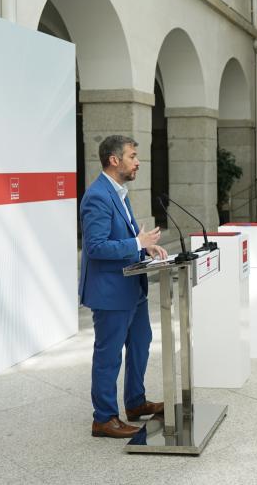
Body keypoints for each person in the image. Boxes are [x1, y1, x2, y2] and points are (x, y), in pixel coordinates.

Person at [80, 135, 167, 438]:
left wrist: (145, 249)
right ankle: (103, 418)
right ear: (114, 160)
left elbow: (127, 238)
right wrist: (136, 243)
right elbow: (95, 247)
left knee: (141, 343)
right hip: (111, 291)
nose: (138, 162)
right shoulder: (97, 196)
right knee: (109, 355)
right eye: (132, 156)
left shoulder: (120, 193)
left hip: (133, 287)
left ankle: (135, 402)